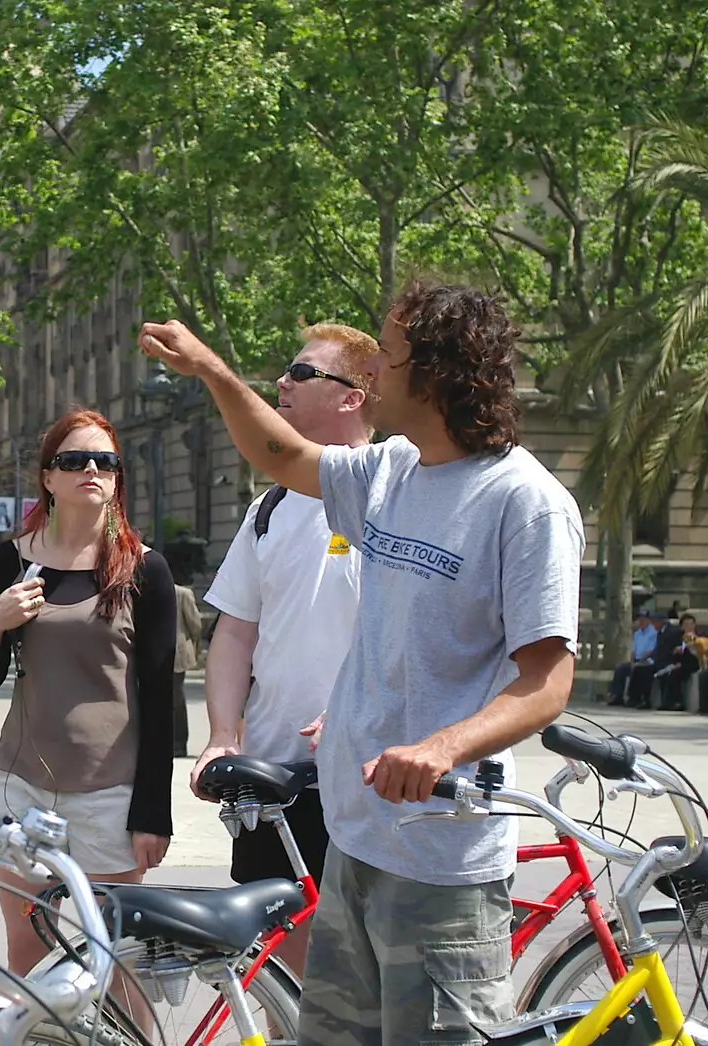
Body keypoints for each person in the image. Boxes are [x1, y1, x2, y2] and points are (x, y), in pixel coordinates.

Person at [141, 281, 584, 1046]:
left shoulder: (524, 502)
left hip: (442, 859)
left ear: (441, 372)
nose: (372, 370)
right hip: (355, 841)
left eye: (390, 354)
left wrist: (442, 746)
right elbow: (282, 454)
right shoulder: (389, 472)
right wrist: (214, 371)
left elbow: (547, 682)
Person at [192, 324, 377, 976]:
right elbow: (235, 631)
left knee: (351, 981)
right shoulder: (268, 505)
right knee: (275, 980)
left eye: (301, 373)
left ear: (353, 396)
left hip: (363, 783)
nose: (282, 383)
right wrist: (220, 734)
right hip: (270, 786)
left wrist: (366, 711)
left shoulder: (398, 492)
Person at [0, 408, 176, 975]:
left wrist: (154, 812)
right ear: (48, 477)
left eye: (105, 461)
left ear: (116, 479)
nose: (91, 469)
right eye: (74, 460)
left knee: (118, 959)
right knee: (28, 950)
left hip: (111, 793)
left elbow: (162, 701)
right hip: (22, 787)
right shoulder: (11, 561)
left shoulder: (145, 570)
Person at [172, 572, 202, 758]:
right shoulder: (182, 593)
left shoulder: (182, 594)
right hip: (173, 653)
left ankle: (178, 744)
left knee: (175, 700)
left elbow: (195, 624)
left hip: (176, 654)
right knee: (175, 701)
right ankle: (177, 744)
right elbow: (196, 625)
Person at [606, 610, 660, 708]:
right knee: (621, 669)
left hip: (647, 661)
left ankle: (634, 698)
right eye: (640, 619)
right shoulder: (637, 633)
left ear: (649, 620)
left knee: (638, 669)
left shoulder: (653, 633)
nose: (641, 622)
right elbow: (634, 650)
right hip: (637, 660)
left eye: (643, 619)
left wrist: (639, 661)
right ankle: (617, 695)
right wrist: (632, 660)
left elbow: (650, 651)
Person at [651, 613, 701, 711]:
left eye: (691, 624)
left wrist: (684, 649)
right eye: (686, 625)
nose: (689, 627)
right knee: (666, 671)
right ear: (681, 627)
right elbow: (669, 652)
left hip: (693, 664)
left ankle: (677, 702)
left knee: (675, 674)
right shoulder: (677, 637)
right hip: (678, 663)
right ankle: (666, 702)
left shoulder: (700, 636)